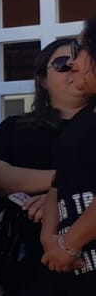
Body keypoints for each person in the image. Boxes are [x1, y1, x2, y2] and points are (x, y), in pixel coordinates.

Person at [0, 37, 92, 296]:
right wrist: (59, 185)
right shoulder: (18, 127)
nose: (71, 69)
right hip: (32, 266)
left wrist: (56, 195)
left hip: (88, 262)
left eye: (78, 61)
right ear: (43, 79)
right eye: (61, 64)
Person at [44, 17, 96, 282]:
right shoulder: (83, 119)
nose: (72, 63)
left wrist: (67, 244)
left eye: (80, 50)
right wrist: (50, 234)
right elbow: (62, 178)